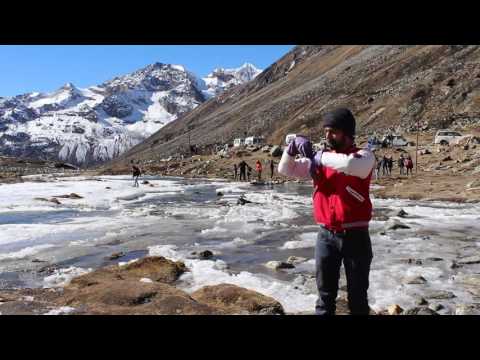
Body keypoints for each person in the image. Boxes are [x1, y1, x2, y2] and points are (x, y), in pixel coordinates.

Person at [278, 108, 375, 315]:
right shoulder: (319, 161)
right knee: (324, 297)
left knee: (358, 298)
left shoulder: (364, 157)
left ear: (348, 133)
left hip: (356, 237)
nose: (328, 136)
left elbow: (349, 164)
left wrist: (317, 156)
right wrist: (291, 149)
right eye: (326, 131)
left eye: (334, 131)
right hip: (326, 236)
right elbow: (285, 170)